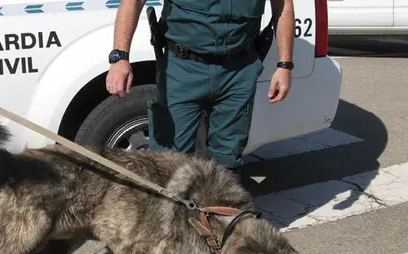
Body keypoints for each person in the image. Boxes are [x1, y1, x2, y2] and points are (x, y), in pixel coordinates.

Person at [105, 0, 295, 175]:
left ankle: (217, 211)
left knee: (226, 164)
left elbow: (283, 6)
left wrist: (284, 65)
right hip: (182, 68)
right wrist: (120, 56)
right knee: (168, 164)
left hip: (238, 71)